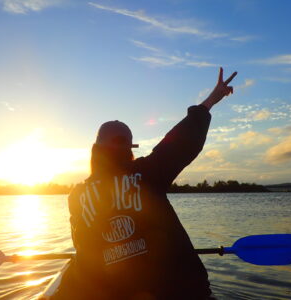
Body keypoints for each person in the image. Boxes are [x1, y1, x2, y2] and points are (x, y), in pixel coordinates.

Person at [53, 67, 237, 300]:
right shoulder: (148, 173)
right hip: (179, 292)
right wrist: (211, 100)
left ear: (96, 150)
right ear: (129, 150)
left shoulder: (77, 195)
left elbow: (85, 251)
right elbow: (181, 142)